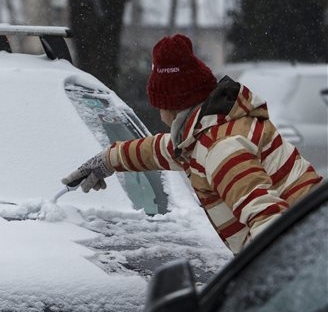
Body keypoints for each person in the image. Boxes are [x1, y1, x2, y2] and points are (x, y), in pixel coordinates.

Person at [62, 34, 324, 254]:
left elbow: (268, 220)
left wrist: (260, 290)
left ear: (169, 105)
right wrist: (110, 159)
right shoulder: (207, 133)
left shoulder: (221, 148)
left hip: (310, 255)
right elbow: (163, 150)